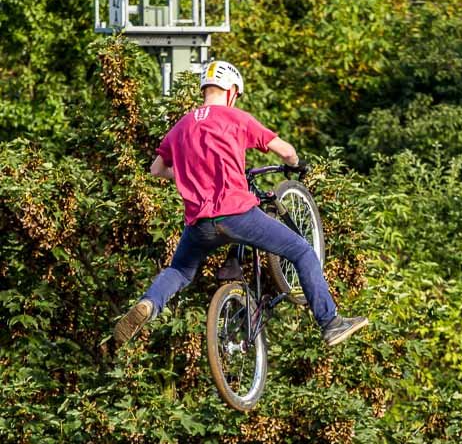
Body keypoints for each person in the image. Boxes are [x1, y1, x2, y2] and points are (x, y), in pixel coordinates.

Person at [114, 59, 368, 349]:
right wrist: (296, 164)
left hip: (199, 224)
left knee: (180, 271)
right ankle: (330, 322)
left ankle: (148, 303)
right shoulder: (235, 118)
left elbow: (156, 170)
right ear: (232, 90)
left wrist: (188, 172)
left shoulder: (181, 127)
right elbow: (285, 151)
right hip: (237, 214)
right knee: (301, 250)